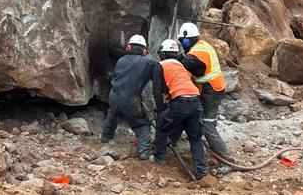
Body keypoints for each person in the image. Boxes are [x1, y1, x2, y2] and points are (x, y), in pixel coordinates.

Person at [176, 23, 235, 174]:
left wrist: (171, 59)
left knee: (208, 126)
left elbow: (184, 65)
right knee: (195, 117)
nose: (182, 43)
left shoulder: (196, 54)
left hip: (211, 90)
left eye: (183, 40)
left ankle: (228, 161)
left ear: (188, 40)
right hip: (211, 88)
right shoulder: (201, 45)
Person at [152, 39, 209, 180]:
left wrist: (160, 111)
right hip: (196, 102)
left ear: (162, 54)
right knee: (195, 138)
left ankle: (159, 158)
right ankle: (202, 170)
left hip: (180, 101)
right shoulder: (182, 66)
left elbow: (156, 91)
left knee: (162, 127)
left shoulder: (160, 65)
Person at [101, 35, 155, 160]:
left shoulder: (121, 60)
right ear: (144, 50)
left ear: (129, 47)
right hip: (131, 100)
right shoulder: (148, 63)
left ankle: (105, 139)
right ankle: (144, 152)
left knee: (112, 114)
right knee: (140, 124)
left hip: (114, 96)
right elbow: (157, 78)